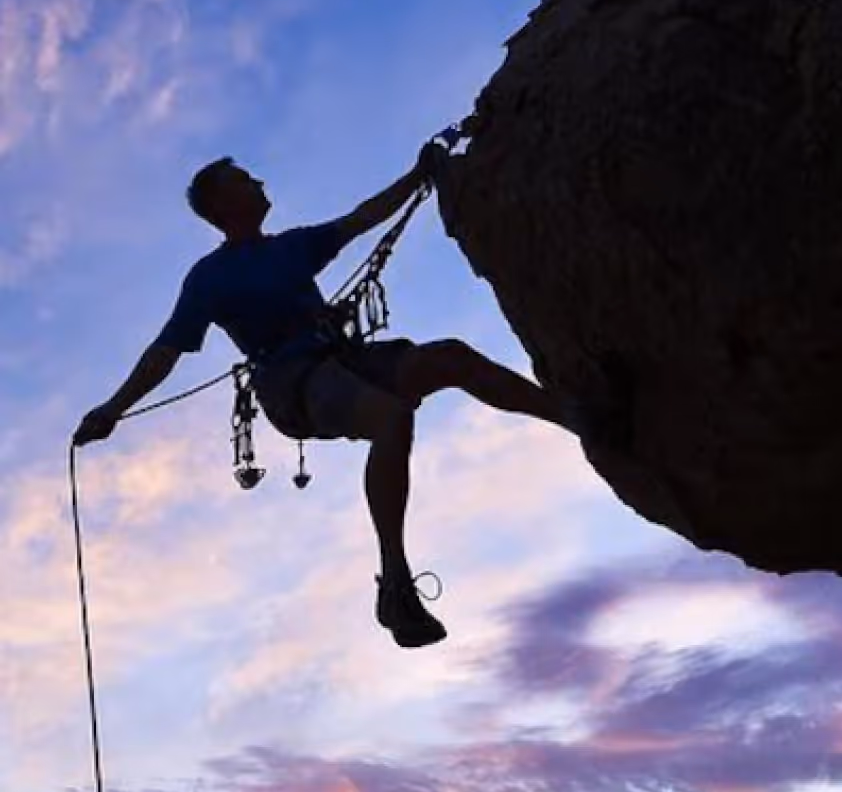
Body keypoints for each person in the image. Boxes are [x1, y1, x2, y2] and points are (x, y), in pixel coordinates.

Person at [73, 143, 577, 649]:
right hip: (292, 385)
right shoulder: (210, 278)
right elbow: (166, 351)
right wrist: (114, 409)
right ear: (223, 207)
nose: (260, 184)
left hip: (339, 360)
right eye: (246, 180)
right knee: (392, 417)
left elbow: (361, 219)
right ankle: (395, 581)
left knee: (450, 357)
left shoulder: (290, 248)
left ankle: (576, 417)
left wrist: (418, 173)